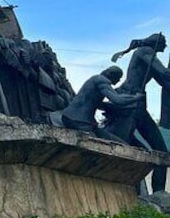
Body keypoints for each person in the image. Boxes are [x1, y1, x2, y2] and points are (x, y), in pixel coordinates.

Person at [105, 33, 170, 192]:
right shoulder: (145, 51)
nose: (166, 46)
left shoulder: (148, 54)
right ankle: (128, 189)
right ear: (157, 43)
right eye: (164, 42)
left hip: (139, 105)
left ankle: (159, 194)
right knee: (124, 148)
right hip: (130, 103)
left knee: (161, 152)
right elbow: (163, 72)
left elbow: (164, 80)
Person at [60, 66, 143, 143]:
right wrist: (136, 97)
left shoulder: (95, 80)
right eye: (118, 77)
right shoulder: (101, 80)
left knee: (117, 141)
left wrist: (125, 105)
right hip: (78, 120)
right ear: (111, 74)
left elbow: (101, 104)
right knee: (96, 144)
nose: (119, 80)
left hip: (84, 121)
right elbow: (118, 99)